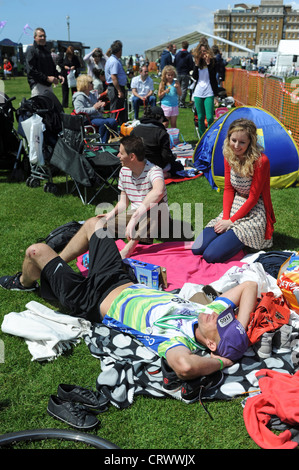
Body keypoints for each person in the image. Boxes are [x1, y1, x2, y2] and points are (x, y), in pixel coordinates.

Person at [0, 216, 258, 380]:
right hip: (119, 279)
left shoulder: (176, 341)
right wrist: (240, 330)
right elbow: (248, 285)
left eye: (220, 323)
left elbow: (185, 368)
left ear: (211, 346)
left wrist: (222, 361)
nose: (217, 315)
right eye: (226, 317)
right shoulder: (208, 312)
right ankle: (55, 266)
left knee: (36, 250)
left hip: (89, 301)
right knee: (95, 224)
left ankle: (23, 282)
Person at [192, 118, 276, 263]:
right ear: (228, 138)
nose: (236, 146)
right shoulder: (229, 154)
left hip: (253, 210)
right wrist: (225, 218)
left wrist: (231, 221)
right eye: (233, 140)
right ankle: (230, 240)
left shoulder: (261, 161)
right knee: (197, 248)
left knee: (210, 255)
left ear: (251, 142)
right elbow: (229, 189)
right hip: (235, 205)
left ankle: (243, 245)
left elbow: (254, 197)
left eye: (242, 142)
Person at [97, 134, 169, 259]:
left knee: (155, 206)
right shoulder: (124, 171)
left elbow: (158, 191)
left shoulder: (154, 171)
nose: (118, 156)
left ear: (132, 156)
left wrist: (135, 217)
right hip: (134, 217)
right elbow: (123, 202)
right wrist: (111, 214)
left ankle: (129, 248)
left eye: (121, 153)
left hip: (157, 218)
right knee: (99, 226)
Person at [131, 106, 183, 177]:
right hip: (155, 165)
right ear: (160, 118)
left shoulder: (135, 130)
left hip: (137, 164)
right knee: (178, 167)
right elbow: (166, 156)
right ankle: (164, 175)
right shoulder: (161, 132)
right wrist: (173, 157)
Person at [72, 74, 118, 143]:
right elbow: (79, 110)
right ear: (85, 84)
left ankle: (113, 141)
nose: (93, 84)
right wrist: (94, 108)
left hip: (97, 117)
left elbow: (97, 108)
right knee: (104, 123)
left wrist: (100, 106)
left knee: (113, 121)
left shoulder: (91, 95)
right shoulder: (79, 97)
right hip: (88, 119)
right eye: (91, 83)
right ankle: (103, 143)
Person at [26, 27, 64, 97]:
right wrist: (46, 78)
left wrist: (58, 75)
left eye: (44, 36)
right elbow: (31, 70)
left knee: (51, 106)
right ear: (35, 37)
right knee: (40, 107)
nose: (43, 38)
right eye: (40, 36)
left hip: (48, 85)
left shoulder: (46, 51)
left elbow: (52, 67)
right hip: (37, 85)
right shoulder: (32, 50)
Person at [192, 40, 219, 137]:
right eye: (201, 51)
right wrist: (196, 64)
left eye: (205, 51)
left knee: (210, 117)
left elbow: (213, 77)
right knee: (200, 117)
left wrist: (208, 64)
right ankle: (202, 137)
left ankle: (211, 136)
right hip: (198, 92)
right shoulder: (197, 62)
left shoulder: (212, 62)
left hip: (209, 92)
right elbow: (194, 77)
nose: (203, 53)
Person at [104, 40, 127, 124]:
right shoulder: (114, 62)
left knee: (118, 109)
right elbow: (114, 77)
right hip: (115, 88)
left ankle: (119, 126)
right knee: (115, 109)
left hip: (115, 87)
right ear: (119, 51)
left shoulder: (113, 60)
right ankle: (113, 126)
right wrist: (119, 91)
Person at [174, 41, 194, 108]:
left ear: (182, 46)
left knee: (177, 87)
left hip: (178, 72)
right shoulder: (189, 55)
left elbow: (174, 63)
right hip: (185, 73)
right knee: (184, 88)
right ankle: (181, 102)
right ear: (187, 46)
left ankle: (177, 101)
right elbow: (191, 65)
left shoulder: (177, 54)